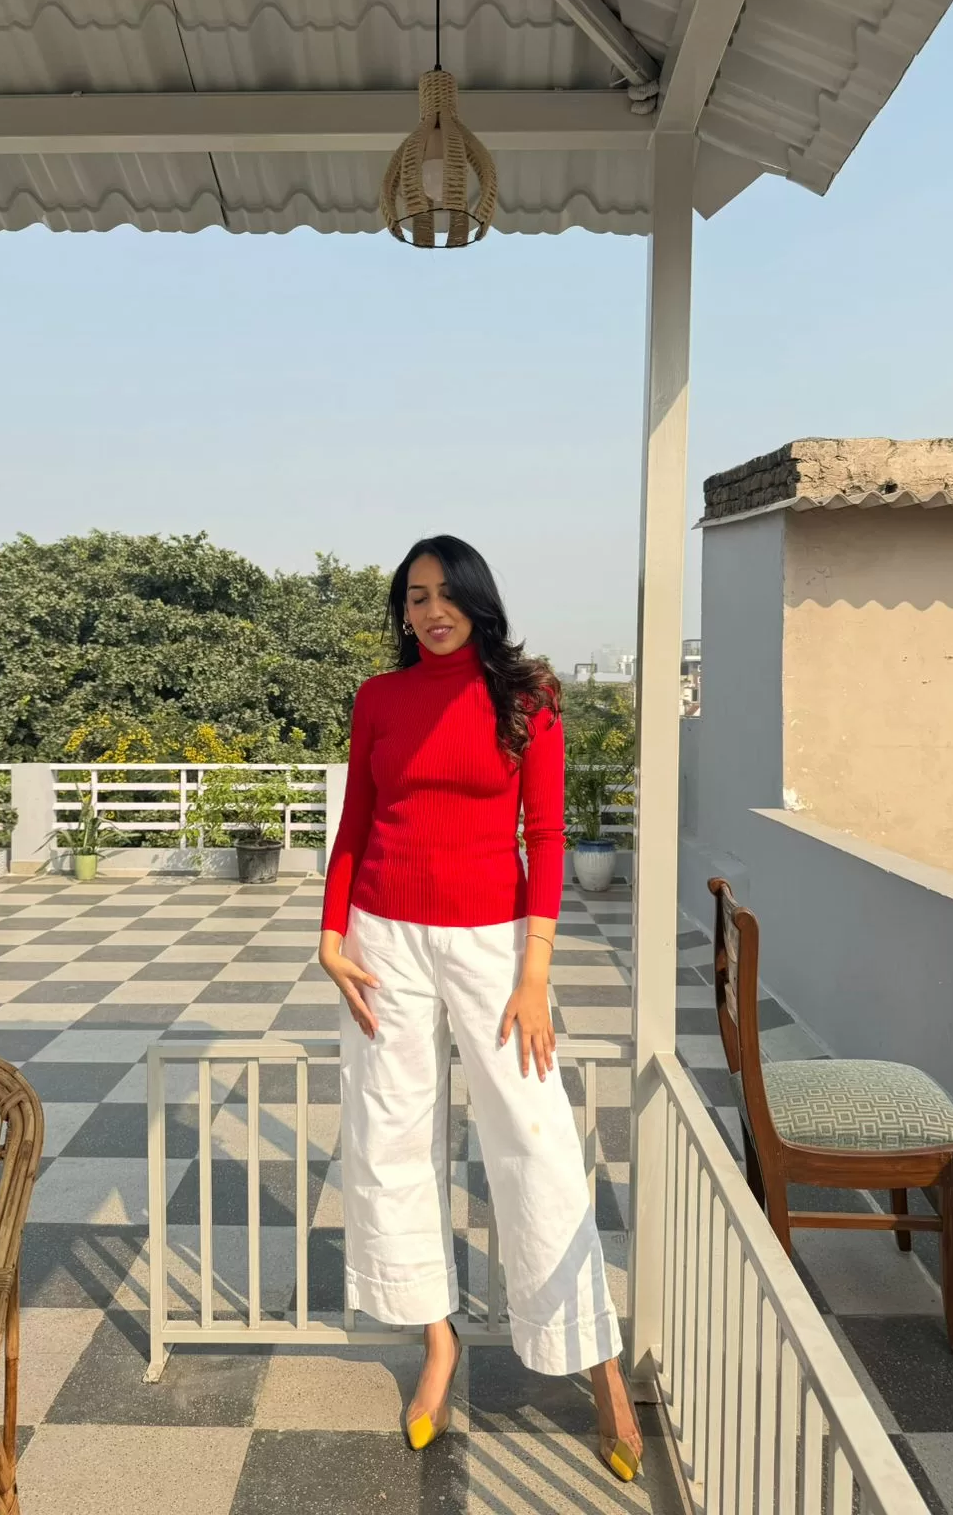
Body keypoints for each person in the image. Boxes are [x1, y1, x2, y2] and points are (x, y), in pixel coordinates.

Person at [320, 534, 642, 1481]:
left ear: (477, 600)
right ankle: (438, 1339)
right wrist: (331, 933)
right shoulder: (379, 698)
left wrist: (535, 973)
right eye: (415, 596)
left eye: (446, 593)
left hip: (496, 946)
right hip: (383, 937)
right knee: (389, 1135)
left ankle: (598, 1362)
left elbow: (547, 833)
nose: (431, 611)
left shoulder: (528, 697)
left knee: (536, 1142)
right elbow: (357, 819)